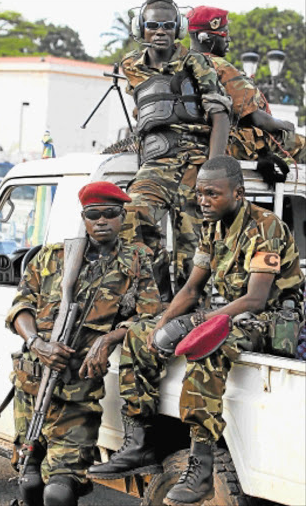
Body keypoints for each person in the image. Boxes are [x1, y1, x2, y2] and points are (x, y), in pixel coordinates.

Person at [87, 156, 304, 506]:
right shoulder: (212, 226)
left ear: (238, 192)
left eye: (212, 194)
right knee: (139, 336)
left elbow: (255, 299)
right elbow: (190, 290)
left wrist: (198, 322)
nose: (202, 201)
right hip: (225, 312)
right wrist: (159, 326)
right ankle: (139, 441)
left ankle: (201, 468)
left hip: (267, 320)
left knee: (207, 348)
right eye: (200, 193)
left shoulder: (266, 228)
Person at [5, 181, 162, 506]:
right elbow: (20, 306)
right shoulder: (52, 256)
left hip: (77, 394)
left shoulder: (135, 264)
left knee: (59, 491)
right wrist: (37, 343)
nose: (102, 221)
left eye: (110, 214)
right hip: (30, 385)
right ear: (83, 216)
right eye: (93, 214)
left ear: (122, 216)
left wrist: (109, 338)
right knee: (30, 480)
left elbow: (151, 317)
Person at [120, 0, 232, 295]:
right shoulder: (130, 66)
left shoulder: (195, 61)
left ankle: (187, 317)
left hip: (193, 164)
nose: (160, 32)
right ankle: (160, 298)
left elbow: (220, 114)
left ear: (178, 28)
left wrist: (213, 170)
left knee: (193, 258)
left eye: (168, 26)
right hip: (155, 165)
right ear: (140, 28)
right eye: (153, 25)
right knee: (130, 220)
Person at [186, 5, 306, 184]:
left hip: (200, 141)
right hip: (233, 143)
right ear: (206, 37)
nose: (229, 40)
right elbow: (255, 118)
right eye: (224, 34)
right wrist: (284, 124)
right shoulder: (219, 66)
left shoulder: (180, 64)